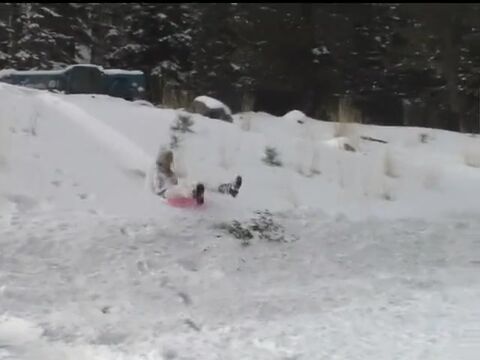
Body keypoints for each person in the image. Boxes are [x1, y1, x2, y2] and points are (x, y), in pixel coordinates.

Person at [148, 147, 242, 205]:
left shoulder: (171, 171)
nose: (170, 162)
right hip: (165, 194)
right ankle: (195, 194)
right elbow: (157, 190)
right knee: (180, 189)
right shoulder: (157, 173)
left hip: (175, 190)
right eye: (168, 160)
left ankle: (228, 189)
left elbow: (183, 174)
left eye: (170, 160)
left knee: (199, 183)